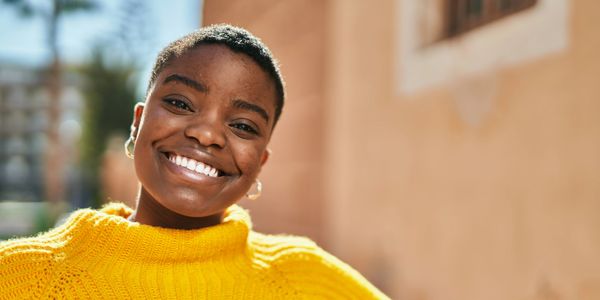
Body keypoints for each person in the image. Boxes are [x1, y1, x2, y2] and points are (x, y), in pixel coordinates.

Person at [0, 24, 388, 299]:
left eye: (243, 125)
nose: (206, 134)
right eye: (180, 103)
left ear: (260, 163)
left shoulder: (302, 278)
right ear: (138, 123)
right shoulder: (22, 276)